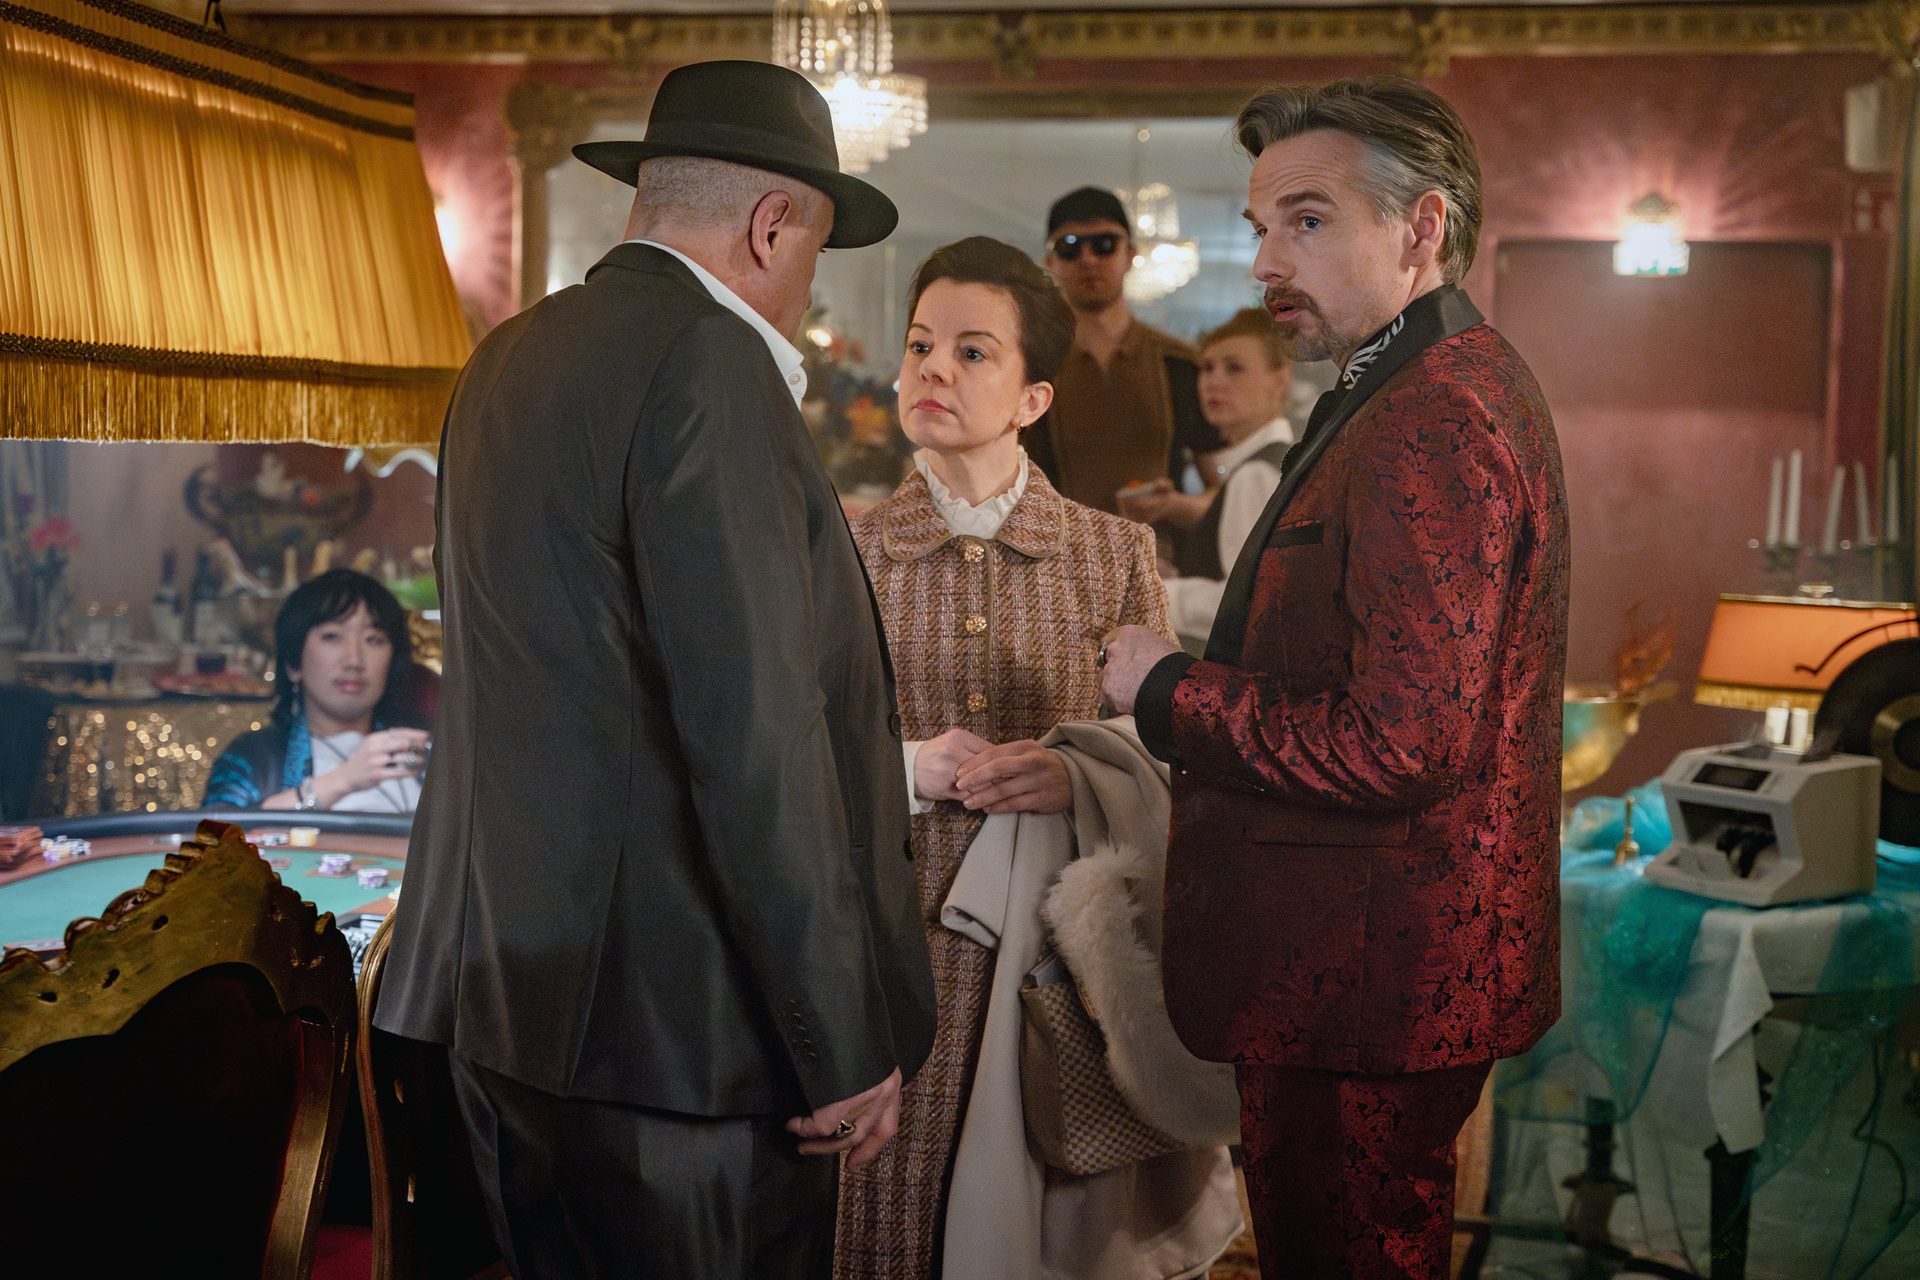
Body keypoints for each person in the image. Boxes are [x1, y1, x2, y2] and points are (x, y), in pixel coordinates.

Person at [373, 61, 937, 1280]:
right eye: (813, 252)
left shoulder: (505, 356)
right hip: (680, 1049)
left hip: (492, 1011)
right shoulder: (710, 361)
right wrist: (838, 1035)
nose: (804, 291)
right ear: (771, 225)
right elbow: (757, 736)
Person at [1100, 76, 1571, 1280]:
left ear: (1423, 229)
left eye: (1307, 221)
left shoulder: (1435, 412)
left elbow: (1400, 742)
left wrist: (1164, 687)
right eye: (1261, 225)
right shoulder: (1421, 382)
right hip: (1373, 967)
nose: (1267, 261)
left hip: (1367, 982)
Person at [837, 237, 1240, 1280]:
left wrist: (1077, 772)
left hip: (1060, 960)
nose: (934, 368)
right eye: (921, 345)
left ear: (1033, 396)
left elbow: (1172, 755)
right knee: (885, 1226)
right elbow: (790, 749)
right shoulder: (843, 553)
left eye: (973, 351)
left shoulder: (1113, 552)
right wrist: (909, 764)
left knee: (1053, 1223)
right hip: (882, 947)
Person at [1023, 187, 1226, 516]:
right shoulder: (1030, 364)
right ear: (1050, 262)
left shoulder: (1178, 362)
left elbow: (1222, 488)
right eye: (1069, 247)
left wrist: (1176, 506)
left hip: (1162, 548)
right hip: (1056, 548)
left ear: (1130, 254)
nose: (1088, 259)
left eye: (1104, 244)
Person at [1119, 308, 1295, 648]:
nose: (1214, 381)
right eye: (1207, 367)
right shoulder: (1272, 461)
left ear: (1279, 381)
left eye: (1234, 368)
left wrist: (1158, 590)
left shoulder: (1256, 473)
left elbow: (1249, 603)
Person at [202, 568, 428, 812]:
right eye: (332, 637)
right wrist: (344, 780)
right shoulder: (254, 758)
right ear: (294, 664)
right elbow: (213, 832)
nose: (354, 660)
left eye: (372, 639)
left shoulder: (424, 750)